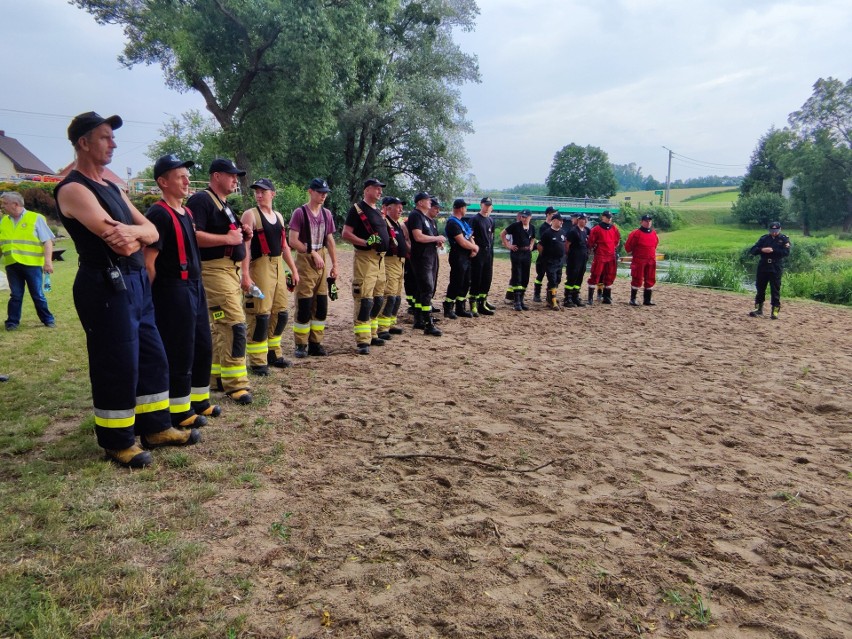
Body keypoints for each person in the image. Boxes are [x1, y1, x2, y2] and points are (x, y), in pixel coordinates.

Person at [55, 111, 199, 468]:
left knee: (152, 356)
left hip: (135, 284)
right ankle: (117, 440)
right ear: (83, 143)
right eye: (105, 137)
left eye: (113, 137)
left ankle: (156, 427)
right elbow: (120, 244)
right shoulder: (73, 189)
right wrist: (138, 234)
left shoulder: (113, 187)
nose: (114, 143)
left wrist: (136, 232)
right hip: (105, 284)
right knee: (117, 364)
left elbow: (151, 231)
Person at [144, 154, 219, 428]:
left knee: (202, 344)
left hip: (195, 286)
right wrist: (146, 299)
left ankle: (199, 400)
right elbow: (148, 262)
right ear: (163, 182)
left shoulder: (186, 212)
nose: (187, 180)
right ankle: (179, 410)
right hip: (173, 288)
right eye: (180, 176)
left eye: (187, 175)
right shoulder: (158, 214)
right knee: (180, 348)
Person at [186, 159, 254, 405]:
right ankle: (237, 385)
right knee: (235, 324)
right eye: (231, 175)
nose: (236, 179)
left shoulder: (223, 204)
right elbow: (191, 234)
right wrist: (227, 237)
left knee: (219, 325)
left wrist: (242, 234)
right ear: (216, 176)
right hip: (214, 272)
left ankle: (216, 377)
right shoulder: (201, 200)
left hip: (229, 271)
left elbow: (231, 236)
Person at [241, 178, 300, 374]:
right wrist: (246, 274)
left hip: (277, 266)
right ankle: (258, 361)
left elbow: (284, 246)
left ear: (272, 194)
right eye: (256, 192)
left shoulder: (279, 217)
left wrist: (293, 268)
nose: (258, 195)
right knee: (261, 314)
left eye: (263, 191)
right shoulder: (250, 215)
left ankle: (274, 353)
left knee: (280, 313)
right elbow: (245, 247)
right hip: (260, 266)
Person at [288, 178, 338, 357]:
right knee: (304, 304)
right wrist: (312, 252)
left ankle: (316, 343)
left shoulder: (327, 214)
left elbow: (330, 240)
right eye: (319, 192)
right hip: (305, 260)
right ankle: (300, 345)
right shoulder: (300, 213)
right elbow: (292, 240)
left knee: (322, 304)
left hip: (322, 260)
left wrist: (335, 265)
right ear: (310, 191)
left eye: (325, 192)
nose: (323, 195)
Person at [342, 178, 390, 355]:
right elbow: (346, 234)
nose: (380, 192)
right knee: (365, 299)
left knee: (378, 298)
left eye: (380, 189)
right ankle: (362, 341)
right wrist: (365, 242)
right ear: (367, 190)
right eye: (377, 189)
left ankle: (372, 333)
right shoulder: (357, 210)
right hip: (365, 259)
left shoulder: (377, 211)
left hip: (380, 260)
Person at [0, 191, 56, 330]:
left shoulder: (35, 218)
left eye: (4, 203)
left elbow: (47, 241)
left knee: (37, 294)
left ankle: (48, 319)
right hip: (12, 264)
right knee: (15, 295)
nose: (2, 206)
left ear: (15, 204)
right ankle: (12, 323)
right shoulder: (4, 221)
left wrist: (48, 261)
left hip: (32, 265)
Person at [407, 192, 443, 336]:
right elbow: (418, 236)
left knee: (422, 288)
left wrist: (436, 241)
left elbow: (428, 236)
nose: (430, 203)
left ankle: (419, 319)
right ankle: (428, 323)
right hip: (421, 257)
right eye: (427, 200)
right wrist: (436, 237)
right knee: (427, 288)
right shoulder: (415, 215)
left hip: (430, 255)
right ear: (420, 202)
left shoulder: (427, 218)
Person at [377, 196, 409, 336]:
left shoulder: (398, 224)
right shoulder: (384, 223)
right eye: (397, 206)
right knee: (389, 295)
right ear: (388, 208)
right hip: (390, 262)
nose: (400, 209)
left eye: (401, 206)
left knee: (396, 296)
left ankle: (391, 323)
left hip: (400, 262)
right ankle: (382, 328)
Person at [442, 198, 479, 319]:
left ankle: (460, 307)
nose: (466, 209)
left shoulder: (462, 222)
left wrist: (473, 248)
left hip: (466, 256)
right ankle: (448, 307)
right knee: (456, 281)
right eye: (465, 207)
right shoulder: (452, 223)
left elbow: (469, 235)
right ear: (460, 208)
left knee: (466, 281)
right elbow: (462, 242)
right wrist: (475, 247)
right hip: (458, 255)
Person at [748, 221, 791, 320]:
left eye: (776, 230)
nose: (774, 232)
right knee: (760, 287)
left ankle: (774, 312)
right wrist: (762, 250)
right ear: (769, 230)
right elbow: (753, 250)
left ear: (780, 230)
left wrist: (773, 250)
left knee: (775, 289)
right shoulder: (764, 239)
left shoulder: (784, 239)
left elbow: (786, 252)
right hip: (763, 265)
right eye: (772, 230)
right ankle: (759, 309)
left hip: (776, 266)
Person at [501, 209, 536, 311]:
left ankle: (521, 300)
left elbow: (533, 238)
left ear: (530, 217)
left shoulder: (532, 227)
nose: (523, 218)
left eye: (525, 217)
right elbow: (503, 234)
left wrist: (531, 245)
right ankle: (516, 302)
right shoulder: (515, 226)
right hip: (517, 253)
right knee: (517, 276)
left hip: (527, 254)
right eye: (522, 217)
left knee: (525, 277)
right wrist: (508, 245)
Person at [468, 196, 496, 316]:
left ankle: (482, 302)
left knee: (487, 278)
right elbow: (469, 235)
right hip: (478, 253)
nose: (487, 207)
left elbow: (492, 235)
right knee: (476, 278)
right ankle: (473, 304)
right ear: (481, 205)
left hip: (488, 252)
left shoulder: (491, 220)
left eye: (489, 205)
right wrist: (473, 247)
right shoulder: (475, 219)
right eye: (485, 205)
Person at [624, 214, 660, 306]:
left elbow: (655, 245)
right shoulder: (636, 233)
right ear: (641, 222)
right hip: (639, 260)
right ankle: (633, 299)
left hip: (651, 260)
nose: (648, 223)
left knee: (650, 279)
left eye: (649, 221)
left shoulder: (654, 233)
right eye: (646, 221)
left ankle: (647, 300)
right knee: (637, 279)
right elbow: (628, 247)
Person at [586, 210, 620, 305]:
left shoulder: (614, 229)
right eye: (607, 217)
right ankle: (590, 298)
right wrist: (593, 250)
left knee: (610, 275)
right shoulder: (596, 229)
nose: (609, 219)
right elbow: (591, 242)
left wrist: (613, 250)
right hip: (600, 255)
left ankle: (606, 297)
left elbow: (616, 241)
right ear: (603, 217)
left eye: (610, 217)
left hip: (611, 255)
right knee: (595, 275)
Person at [538, 212, 568, 311]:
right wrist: (544, 257)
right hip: (550, 261)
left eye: (562, 221)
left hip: (560, 261)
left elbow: (564, 244)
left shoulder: (563, 232)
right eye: (559, 220)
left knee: (558, 280)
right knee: (552, 280)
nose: (561, 222)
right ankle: (553, 302)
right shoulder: (547, 233)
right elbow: (540, 246)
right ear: (554, 221)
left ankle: (549, 298)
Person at [563, 213, 590, 307]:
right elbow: (567, 244)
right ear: (578, 220)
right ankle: (568, 298)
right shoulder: (573, 231)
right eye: (583, 219)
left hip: (583, 257)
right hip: (574, 257)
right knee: (572, 276)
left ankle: (575, 296)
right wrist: (569, 255)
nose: (585, 221)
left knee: (580, 277)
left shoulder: (585, 231)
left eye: (586, 219)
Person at [532, 206, 559, 302]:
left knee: (553, 277)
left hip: (554, 257)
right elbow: (541, 243)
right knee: (540, 275)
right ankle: (537, 294)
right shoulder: (544, 227)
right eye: (553, 214)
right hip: (544, 256)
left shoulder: (557, 226)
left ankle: (550, 295)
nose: (555, 216)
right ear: (548, 214)